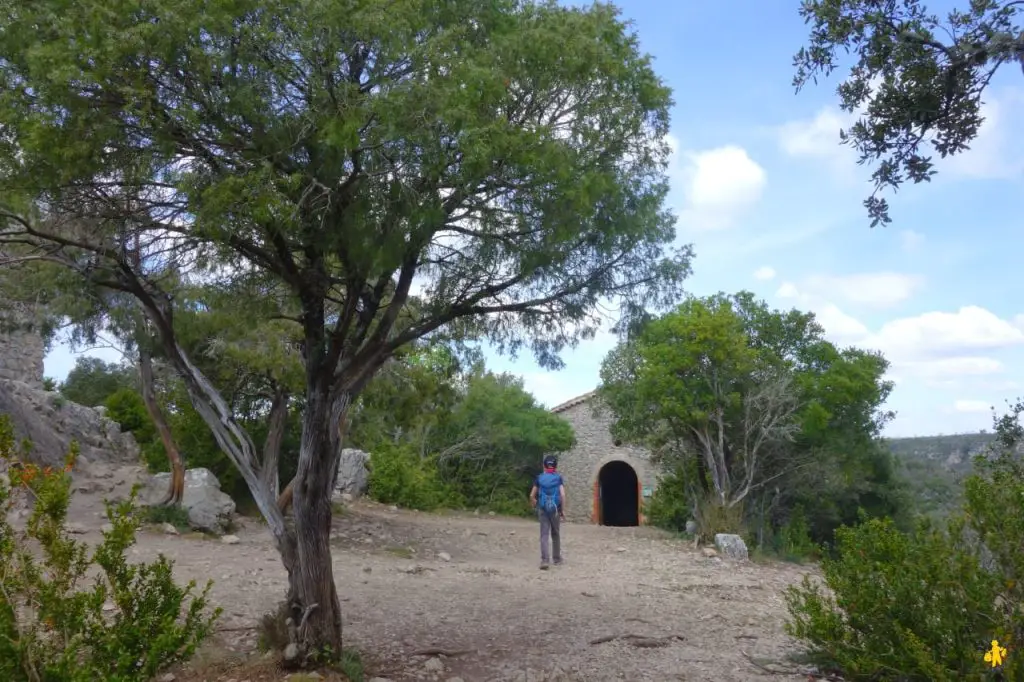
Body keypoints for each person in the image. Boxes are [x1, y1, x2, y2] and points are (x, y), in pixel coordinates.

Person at [529, 455, 566, 570]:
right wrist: (562, 510)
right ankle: (556, 559)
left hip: (543, 509)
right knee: (555, 534)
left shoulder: (539, 478)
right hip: (555, 509)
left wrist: (534, 501)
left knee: (544, 535)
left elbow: (531, 495)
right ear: (555, 466)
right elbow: (563, 495)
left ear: (544, 466)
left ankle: (545, 560)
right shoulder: (558, 478)